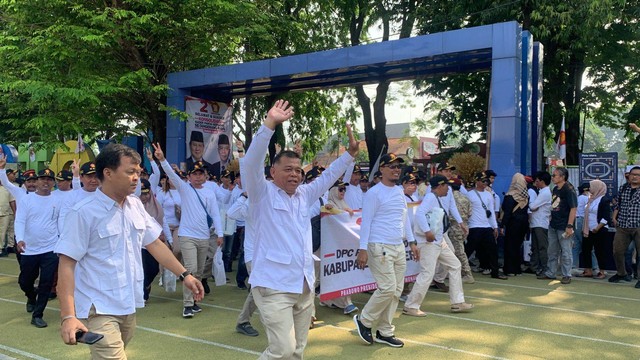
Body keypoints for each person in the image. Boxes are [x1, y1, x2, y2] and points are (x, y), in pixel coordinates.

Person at [56, 143, 204, 358]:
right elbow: (67, 264)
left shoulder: (135, 205)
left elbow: (154, 243)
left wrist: (185, 274)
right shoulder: (83, 213)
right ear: (107, 173)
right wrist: (68, 316)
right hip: (98, 308)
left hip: (128, 303)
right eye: (130, 172)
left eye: (138, 172)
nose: (136, 177)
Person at [244, 100, 358, 359]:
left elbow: (328, 177)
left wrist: (349, 155)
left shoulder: (304, 195)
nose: (295, 174)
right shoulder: (261, 193)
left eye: (298, 170)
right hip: (274, 286)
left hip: (304, 285)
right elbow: (250, 163)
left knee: (297, 352)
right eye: (288, 169)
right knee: (282, 351)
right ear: (273, 172)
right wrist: (269, 125)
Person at [354, 153, 416, 349]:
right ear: (382, 169)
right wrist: (362, 249)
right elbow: (366, 222)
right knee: (388, 288)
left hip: (398, 245)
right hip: (379, 246)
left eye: (398, 167)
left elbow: (404, 218)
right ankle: (364, 320)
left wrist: (412, 242)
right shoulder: (374, 193)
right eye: (391, 166)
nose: (396, 169)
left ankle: (384, 331)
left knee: (396, 291)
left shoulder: (399, 191)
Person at [154, 144, 224, 317]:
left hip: (204, 236)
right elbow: (171, 174)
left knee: (199, 271)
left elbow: (215, 214)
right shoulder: (184, 188)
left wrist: (220, 234)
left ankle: (194, 300)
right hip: (187, 236)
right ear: (189, 176)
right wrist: (162, 159)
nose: (199, 177)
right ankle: (187, 305)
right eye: (195, 174)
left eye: (201, 174)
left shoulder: (209, 192)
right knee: (190, 270)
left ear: (206, 175)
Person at [403, 175, 473, 317]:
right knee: (427, 274)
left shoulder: (436, 198)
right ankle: (411, 306)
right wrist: (427, 232)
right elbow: (420, 214)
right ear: (440, 186)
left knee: (455, 265)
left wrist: (460, 223)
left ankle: (457, 302)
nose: (449, 189)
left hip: (438, 242)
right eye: (447, 186)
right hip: (429, 243)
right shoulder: (430, 198)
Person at [14, 168, 60, 328]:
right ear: (37, 181)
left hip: (51, 248)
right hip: (30, 249)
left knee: (46, 283)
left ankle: (38, 314)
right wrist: (20, 239)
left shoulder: (57, 199)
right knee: (25, 281)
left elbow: (61, 222)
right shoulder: (27, 200)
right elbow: (19, 220)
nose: (46, 182)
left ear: (53, 182)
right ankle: (31, 296)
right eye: (43, 179)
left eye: (49, 179)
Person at [319, 181, 358, 315]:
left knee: (342, 272)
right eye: (340, 190)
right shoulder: (329, 205)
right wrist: (340, 211)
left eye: (344, 190)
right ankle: (344, 303)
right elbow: (329, 214)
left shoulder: (345, 205)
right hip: (330, 246)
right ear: (334, 191)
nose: (343, 192)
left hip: (342, 246)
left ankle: (336, 301)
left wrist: (346, 211)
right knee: (332, 273)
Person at [538, 167, 577, 284]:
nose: (552, 177)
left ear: (562, 177)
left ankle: (566, 274)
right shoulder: (555, 189)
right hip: (554, 224)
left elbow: (573, 208)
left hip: (564, 225)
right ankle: (551, 272)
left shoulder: (569, 189)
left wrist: (569, 225)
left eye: (554, 175)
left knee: (566, 251)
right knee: (552, 250)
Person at [465, 172, 506, 280]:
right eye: (483, 181)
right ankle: (460, 270)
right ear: (477, 181)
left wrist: (494, 226)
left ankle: (495, 272)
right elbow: (466, 211)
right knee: (468, 250)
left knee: (493, 250)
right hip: (474, 226)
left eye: (486, 181)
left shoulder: (489, 195)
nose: (485, 183)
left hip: (486, 226)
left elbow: (491, 211)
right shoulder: (469, 195)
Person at [610, 166, 640, 286]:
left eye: (638, 175)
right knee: (617, 251)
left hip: (638, 225)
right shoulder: (623, 188)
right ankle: (621, 273)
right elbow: (618, 204)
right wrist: (614, 217)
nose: (635, 177)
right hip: (623, 225)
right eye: (633, 174)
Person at [580, 180, 610, 279]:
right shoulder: (591, 198)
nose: (590, 188)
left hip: (599, 229)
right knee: (586, 249)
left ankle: (602, 271)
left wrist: (597, 228)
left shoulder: (604, 200)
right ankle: (588, 270)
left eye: (592, 186)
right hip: (588, 229)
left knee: (599, 251)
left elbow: (606, 217)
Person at [501, 173, 530, 276]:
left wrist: (502, 225)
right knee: (518, 246)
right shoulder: (525, 196)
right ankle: (517, 269)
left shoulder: (510, 196)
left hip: (513, 224)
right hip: (523, 224)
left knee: (510, 246)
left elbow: (507, 212)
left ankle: (509, 269)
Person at [448, 177, 475, 283]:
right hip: (464, 225)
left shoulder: (450, 198)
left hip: (454, 226)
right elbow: (470, 213)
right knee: (456, 249)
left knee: (459, 251)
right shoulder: (466, 198)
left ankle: (467, 273)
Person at [527, 171, 552, 276]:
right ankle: (534, 266)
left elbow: (532, 206)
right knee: (535, 246)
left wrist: (531, 203)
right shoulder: (542, 191)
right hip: (536, 222)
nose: (535, 183)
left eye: (537, 181)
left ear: (542, 181)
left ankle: (544, 268)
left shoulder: (545, 193)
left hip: (541, 223)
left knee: (542, 247)